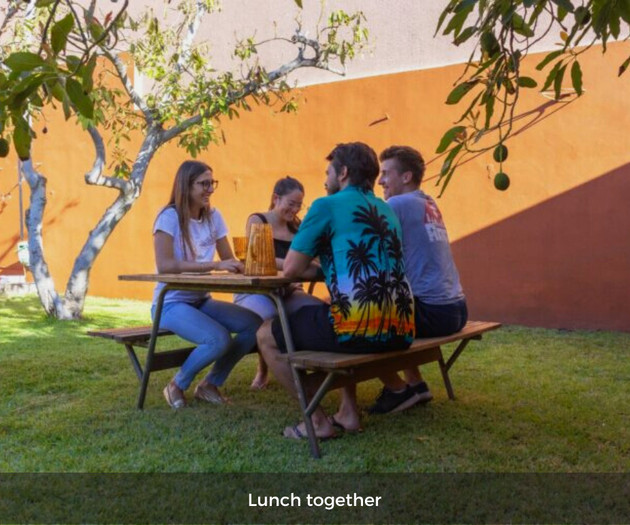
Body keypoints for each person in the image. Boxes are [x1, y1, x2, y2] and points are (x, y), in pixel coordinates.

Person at [256, 142, 415, 439]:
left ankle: (317, 422)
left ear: (343, 172)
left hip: (359, 329)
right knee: (331, 312)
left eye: (328, 171)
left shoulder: (325, 206)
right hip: (402, 329)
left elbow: (290, 270)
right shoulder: (385, 208)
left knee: (266, 334)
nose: (325, 178)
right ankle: (348, 414)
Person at [152, 160, 262, 409]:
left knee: (253, 324)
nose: (210, 189)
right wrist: (214, 267)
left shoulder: (213, 216)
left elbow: (228, 259)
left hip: (201, 300)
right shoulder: (168, 217)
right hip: (170, 303)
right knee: (218, 339)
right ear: (186, 186)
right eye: (203, 184)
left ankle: (210, 384)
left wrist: (248, 266)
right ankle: (177, 385)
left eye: (212, 183)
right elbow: (165, 266)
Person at [367, 145, 468, 414]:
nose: (380, 181)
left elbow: (369, 249)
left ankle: (398, 391)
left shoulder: (397, 204)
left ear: (406, 177)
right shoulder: (427, 202)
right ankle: (416, 384)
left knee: (363, 324)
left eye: (386, 173)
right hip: (456, 309)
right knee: (396, 305)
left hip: (433, 312)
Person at [234, 176, 325, 390]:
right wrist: (293, 265)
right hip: (257, 292)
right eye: (290, 203)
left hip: (290, 290)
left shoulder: (298, 227)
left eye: (298, 205)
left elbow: (315, 259)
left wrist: (296, 268)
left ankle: (307, 365)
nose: (294, 210)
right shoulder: (258, 220)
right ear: (276, 198)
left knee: (318, 310)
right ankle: (263, 370)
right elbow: (256, 259)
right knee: (271, 319)